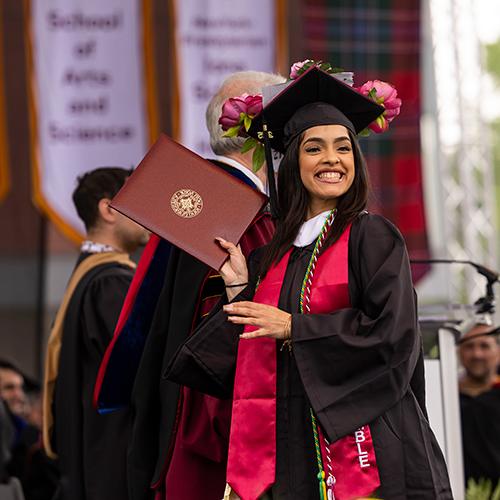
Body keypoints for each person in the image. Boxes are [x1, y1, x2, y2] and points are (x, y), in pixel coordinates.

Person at [167, 65, 452, 499]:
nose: (332, 160)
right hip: (294, 448)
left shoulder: (371, 237)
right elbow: (245, 367)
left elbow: (394, 336)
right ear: (292, 161)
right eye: (314, 148)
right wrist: (240, 291)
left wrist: (295, 328)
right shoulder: (272, 256)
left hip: (368, 448)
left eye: (343, 148)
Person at [93, 71, 284, 500]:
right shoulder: (241, 215)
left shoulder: (196, 203)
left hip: (174, 407)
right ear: (263, 135)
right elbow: (227, 331)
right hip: (216, 425)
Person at [42, 167, 149, 500]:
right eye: (139, 200)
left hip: (92, 462)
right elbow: (140, 370)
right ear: (108, 209)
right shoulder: (110, 284)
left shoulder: (88, 277)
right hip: (112, 466)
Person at [458, 323, 500, 487]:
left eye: (484, 346)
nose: (477, 354)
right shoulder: (447, 398)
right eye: (469, 346)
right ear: (458, 352)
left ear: (498, 351)